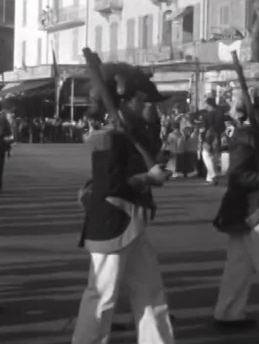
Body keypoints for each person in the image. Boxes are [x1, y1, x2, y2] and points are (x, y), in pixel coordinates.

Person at [72, 62, 175, 344]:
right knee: (101, 296)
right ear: (126, 100)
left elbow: (148, 150)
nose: (150, 107)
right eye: (144, 101)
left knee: (151, 292)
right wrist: (148, 178)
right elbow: (108, 187)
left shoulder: (132, 132)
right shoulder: (107, 137)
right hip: (112, 222)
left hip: (133, 222)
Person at [211, 90, 259, 332]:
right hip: (252, 206)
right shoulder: (247, 136)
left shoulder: (255, 136)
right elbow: (238, 177)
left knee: (239, 265)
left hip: (249, 206)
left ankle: (228, 311)